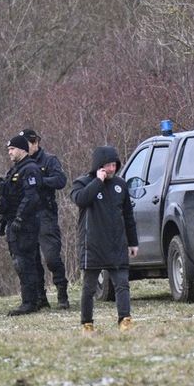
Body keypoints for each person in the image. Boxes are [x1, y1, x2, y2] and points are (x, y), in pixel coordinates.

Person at [70, 146, 138, 333]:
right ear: (99, 166)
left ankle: (125, 319)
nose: (111, 169)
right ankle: (87, 323)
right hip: (92, 244)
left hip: (117, 243)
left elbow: (128, 216)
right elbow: (81, 200)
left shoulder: (121, 185)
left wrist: (133, 242)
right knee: (89, 288)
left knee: (122, 284)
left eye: (114, 165)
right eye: (107, 165)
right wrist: (98, 182)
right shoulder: (82, 183)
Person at [20, 128, 70, 309]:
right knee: (32, 259)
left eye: (26, 144)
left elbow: (60, 180)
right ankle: (41, 297)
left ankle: (62, 293)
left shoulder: (49, 160)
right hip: (27, 216)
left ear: (35, 143)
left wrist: (41, 180)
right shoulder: (20, 164)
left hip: (45, 214)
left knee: (51, 257)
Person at [0, 135, 44, 316]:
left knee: (25, 263)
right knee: (21, 262)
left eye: (12, 149)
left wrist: (19, 219)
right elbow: (12, 197)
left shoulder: (30, 169)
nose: (9, 152)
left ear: (23, 149)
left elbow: (31, 197)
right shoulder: (15, 170)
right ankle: (33, 299)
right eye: (8, 149)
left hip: (26, 225)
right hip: (15, 222)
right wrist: (4, 218)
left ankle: (29, 302)